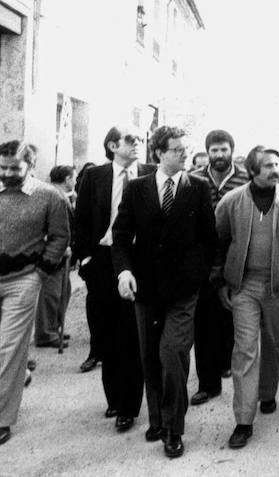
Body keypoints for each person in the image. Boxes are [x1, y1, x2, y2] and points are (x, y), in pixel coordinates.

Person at [111, 125, 216, 458]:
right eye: (177, 149)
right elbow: (121, 236)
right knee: (150, 358)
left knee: (173, 355)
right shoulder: (137, 188)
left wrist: (199, 275)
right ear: (158, 153)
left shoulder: (198, 189)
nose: (184, 154)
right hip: (145, 288)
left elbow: (209, 239)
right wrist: (124, 271)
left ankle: (173, 428)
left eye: (186, 149)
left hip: (184, 291)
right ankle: (156, 419)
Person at [213, 146, 279, 449]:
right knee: (245, 349)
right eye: (269, 165)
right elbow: (217, 243)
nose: (276, 169)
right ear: (252, 171)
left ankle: (267, 392)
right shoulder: (231, 202)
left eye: (278, 164)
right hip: (244, 286)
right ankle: (244, 420)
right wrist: (220, 281)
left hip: (277, 286)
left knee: (273, 343)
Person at [73, 127, 154, 430]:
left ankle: (129, 407)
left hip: (139, 262)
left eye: (138, 141)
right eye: (131, 140)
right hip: (103, 263)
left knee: (132, 335)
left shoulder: (151, 174)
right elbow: (80, 222)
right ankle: (114, 398)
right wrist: (86, 259)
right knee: (107, 334)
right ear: (112, 145)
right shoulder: (95, 177)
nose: (137, 145)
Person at [0, 141, 69, 446]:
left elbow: (60, 236)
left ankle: (2, 419)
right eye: (2, 167)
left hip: (23, 280)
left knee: (9, 348)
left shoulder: (48, 196)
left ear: (30, 164)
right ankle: (18, 378)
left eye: (14, 167)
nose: (6, 173)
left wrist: (41, 272)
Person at [188, 130, 250, 407]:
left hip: (236, 256)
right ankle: (207, 384)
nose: (219, 155)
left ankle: (230, 368)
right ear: (208, 153)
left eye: (223, 149)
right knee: (203, 322)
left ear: (231, 150)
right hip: (202, 259)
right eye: (214, 150)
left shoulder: (246, 177)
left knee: (234, 319)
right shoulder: (194, 177)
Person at [33, 165, 76, 348]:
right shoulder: (54, 196)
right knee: (51, 293)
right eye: (73, 178)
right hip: (53, 253)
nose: (74, 182)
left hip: (59, 251)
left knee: (63, 290)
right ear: (67, 179)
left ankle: (54, 327)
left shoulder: (57, 195)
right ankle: (45, 333)